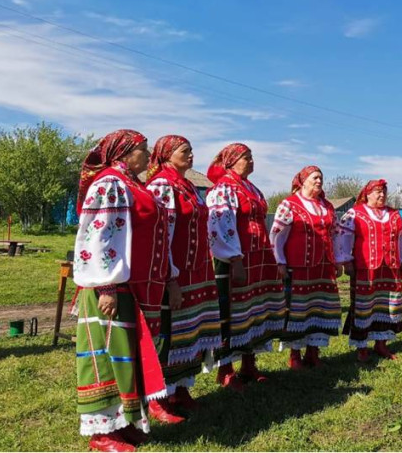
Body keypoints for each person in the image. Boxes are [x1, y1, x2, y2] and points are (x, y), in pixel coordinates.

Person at [72, 129, 169, 452]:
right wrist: (105, 285)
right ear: (124, 153)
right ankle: (102, 434)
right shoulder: (110, 183)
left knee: (126, 356)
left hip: (131, 285)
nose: (148, 153)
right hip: (110, 286)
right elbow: (97, 236)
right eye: (143, 149)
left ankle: (124, 423)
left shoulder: (132, 184)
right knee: (105, 356)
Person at [145, 136, 221, 416]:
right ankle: (158, 398)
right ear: (166, 155)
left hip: (197, 272)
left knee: (191, 332)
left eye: (191, 151)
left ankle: (181, 389)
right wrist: (170, 278)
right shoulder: (162, 186)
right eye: (184, 151)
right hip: (176, 272)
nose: (191, 155)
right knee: (171, 333)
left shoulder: (188, 185)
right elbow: (162, 235)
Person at [206, 143, 287, 389]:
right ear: (231, 161)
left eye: (252, 157)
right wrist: (235, 259)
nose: (251, 161)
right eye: (245, 157)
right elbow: (221, 227)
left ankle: (249, 364)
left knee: (254, 309)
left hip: (258, 258)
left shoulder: (251, 188)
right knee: (231, 311)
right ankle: (226, 370)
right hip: (236, 259)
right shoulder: (223, 190)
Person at [269, 165, 342, 369]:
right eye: (315, 178)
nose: (319, 181)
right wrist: (280, 261)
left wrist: (336, 260)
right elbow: (277, 234)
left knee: (319, 308)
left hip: (323, 267)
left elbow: (334, 235)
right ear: (302, 181)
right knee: (298, 310)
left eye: (321, 178)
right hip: (299, 266)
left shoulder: (327, 206)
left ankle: (313, 352)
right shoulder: (289, 204)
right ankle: (295, 355)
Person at [334, 179, 402, 362]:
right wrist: (345, 260)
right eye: (377, 192)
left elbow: (400, 240)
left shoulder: (394, 215)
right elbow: (343, 238)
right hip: (366, 267)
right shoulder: (355, 213)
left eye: (383, 191)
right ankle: (362, 346)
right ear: (367, 194)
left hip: (390, 267)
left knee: (386, 304)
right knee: (364, 305)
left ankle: (381, 344)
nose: (381, 195)